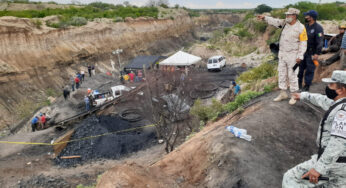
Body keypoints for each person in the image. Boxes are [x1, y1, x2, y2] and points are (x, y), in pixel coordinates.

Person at [283, 70, 346, 187]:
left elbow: (338, 142)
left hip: (335, 163)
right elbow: (322, 100)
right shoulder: (340, 103)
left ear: (341, 90)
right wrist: (302, 96)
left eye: (331, 85)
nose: (327, 87)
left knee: (291, 178)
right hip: (342, 165)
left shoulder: (343, 111)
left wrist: (319, 168)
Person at [257, 8, 307, 105]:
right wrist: (264, 18)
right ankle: (283, 93)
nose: (286, 16)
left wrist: (300, 56)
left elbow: (303, 43)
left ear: (294, 16)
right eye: (286, 15)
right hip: (282, 54)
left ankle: (294, 95)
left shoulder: (301, 28)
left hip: (293, 55)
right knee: (282, 74)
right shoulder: (284, 23)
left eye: (289, 15)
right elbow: (275, 21)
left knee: (292, 75)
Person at [298, 10, 324, 92]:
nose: (305, 17)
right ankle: (298, 85)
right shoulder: (305, 26)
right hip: (303, 52)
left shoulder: (318, 28)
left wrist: (317, 53)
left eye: (307, 16)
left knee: (309, 70)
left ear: (311, 18)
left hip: (312, 53)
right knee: (300, 69)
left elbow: (320, 42)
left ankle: (306, 86)